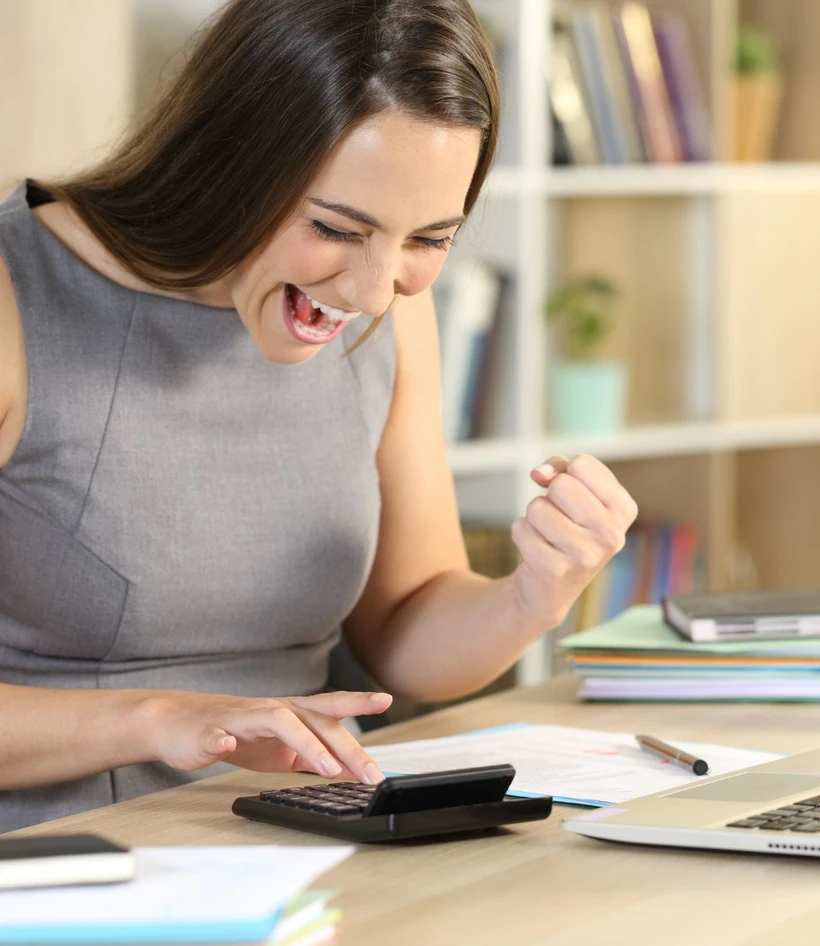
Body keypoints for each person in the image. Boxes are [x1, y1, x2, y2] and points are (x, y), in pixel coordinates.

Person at [0, 0, 637, 833]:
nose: (374, 293)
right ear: (226, 159)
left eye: (428, 239)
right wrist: (160, 720)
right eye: (337, 228)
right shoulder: (18, 299)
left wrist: (535, 594)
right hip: (62, 858)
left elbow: (406, 629)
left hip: (306, 839)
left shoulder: (386, 311)